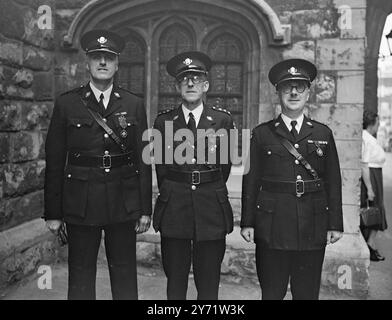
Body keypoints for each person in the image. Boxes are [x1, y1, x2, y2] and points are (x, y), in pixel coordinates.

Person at [44, 29, 152, 300]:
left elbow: (143, 159)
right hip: (81, 199)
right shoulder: (67, 103)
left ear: (117, 64)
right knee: (80, 270)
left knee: (125, 270)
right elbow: (55, 160)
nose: (102, 62)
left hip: (122, 198)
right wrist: (53, 212)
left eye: (108, 58)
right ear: (88, 63)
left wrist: (144, 209)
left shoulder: (133, 103)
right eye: (96, 57)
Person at [240, 59, 343, 300]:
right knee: (272, 293)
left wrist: (335, 223)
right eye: (287, 87)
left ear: (308, 93)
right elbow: (251, 180)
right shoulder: (262, 133)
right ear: (278, 92)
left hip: (312, 226)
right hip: (272, 226)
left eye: (300, 86)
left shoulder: (322, 133)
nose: (294, 92)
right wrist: (248, 221)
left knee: (306, 294)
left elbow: (334, 181)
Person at [152, 51, 235, 300]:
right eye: (185, 79)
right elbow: (162, 169)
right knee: (175, 279)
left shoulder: (222, 121)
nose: (190, 83)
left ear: (206, 85)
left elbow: (225, 167)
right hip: (175, 205)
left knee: (208, 282)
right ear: (177, 86)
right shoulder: (163, 122)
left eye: (196, 78)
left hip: (210, 206)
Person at [360, 110, 387, 261]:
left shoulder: (368, 137)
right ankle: (369, 246)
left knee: (375, 211)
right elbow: (364, 164)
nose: (378, 126)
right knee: (374, 211)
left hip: (375, 175)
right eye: (377, 123)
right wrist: (370, 188)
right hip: (372, 177)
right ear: (373, 124)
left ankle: (370, 245)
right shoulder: (366, 138)